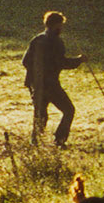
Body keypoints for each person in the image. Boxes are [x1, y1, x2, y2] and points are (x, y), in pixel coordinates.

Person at [23, 10, 84, 147]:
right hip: (51, 85)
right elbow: (62, 63)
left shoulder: (37, 39)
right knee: (69, 110)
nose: (61, 28)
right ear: (57, 25)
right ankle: (59, 140)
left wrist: (35, 76)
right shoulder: (56, 42)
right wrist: (79, 60)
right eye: (61, 25)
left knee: (40, 115)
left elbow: (25, 61)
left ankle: (35, 142)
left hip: (36, 85)